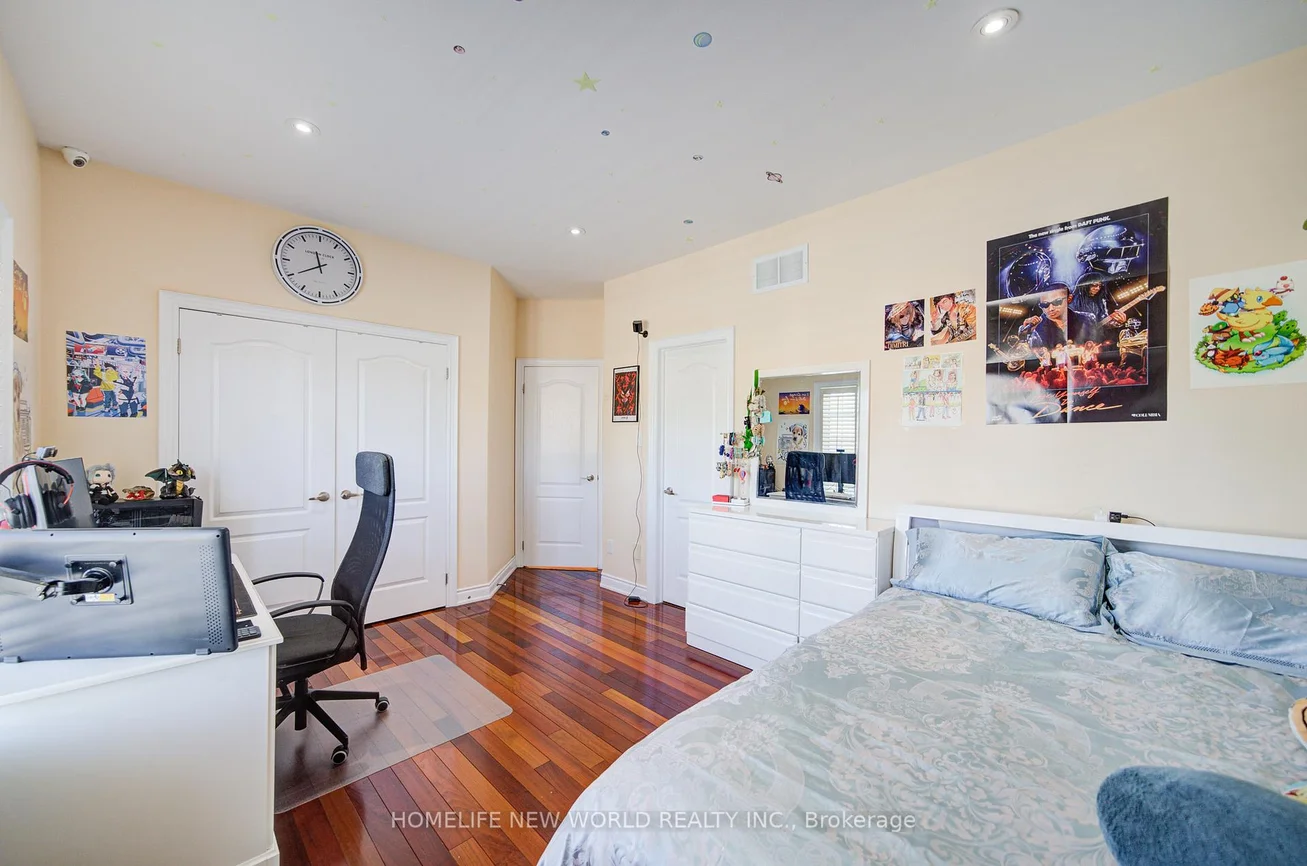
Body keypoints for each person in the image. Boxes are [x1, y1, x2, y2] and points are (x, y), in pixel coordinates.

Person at [1018, 285, 1098, 351]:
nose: (1051, 309)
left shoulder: (1087, 319)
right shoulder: (1036, 327)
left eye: (1057, 302)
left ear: (1069, 299)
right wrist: (1026, 334)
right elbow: (1029, 354)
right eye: (1045, 305)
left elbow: (1097, 345)